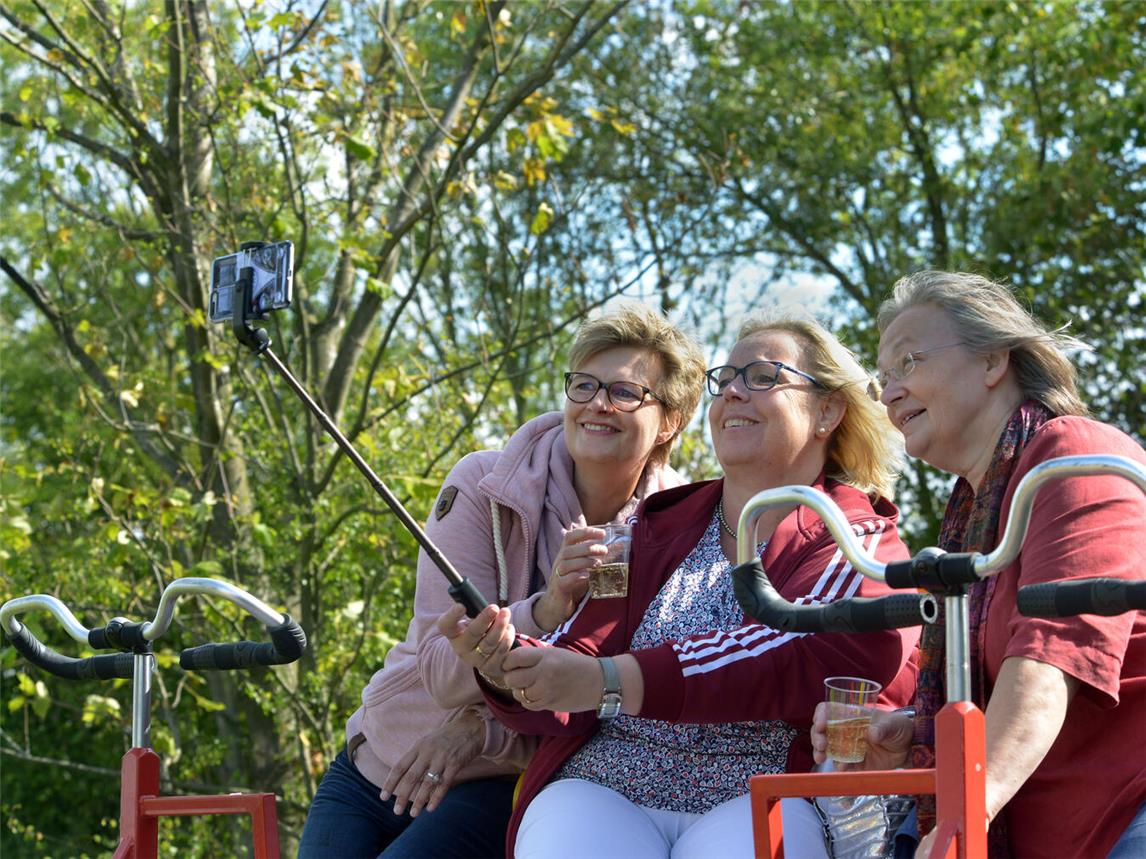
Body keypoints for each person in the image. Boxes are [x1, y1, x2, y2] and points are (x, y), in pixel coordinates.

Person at [439, 314, 922, 858]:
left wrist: (610, 680)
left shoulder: (858, 538)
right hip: (603, 785)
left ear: (827, 411)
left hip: (759, 794)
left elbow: (811, 646)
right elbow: (579, 657)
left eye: (763, 377)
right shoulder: (646, 529)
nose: (734, 392)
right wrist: (509, 666)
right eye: (727, 379)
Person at [297, 302, 706, 858]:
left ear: (672, 420)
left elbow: (600, 707)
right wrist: (548, 607)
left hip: (498, 784)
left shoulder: (675, 533)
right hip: (380, 760)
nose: (597, 406)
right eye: (583, 385)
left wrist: (475, 731)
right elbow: (443, 672)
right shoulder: (485, 484)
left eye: (624, 392)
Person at [810, 270, 1146, 858]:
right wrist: (912, 733)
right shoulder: (972, 511)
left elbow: (1051, 660)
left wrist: (969, 809)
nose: (888, 392)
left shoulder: (1075, 455)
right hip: (1053, 824)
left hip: (1124, 809)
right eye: (882, 379)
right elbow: (990, 686)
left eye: (908, 363)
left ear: (992, 360)